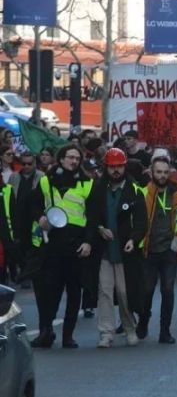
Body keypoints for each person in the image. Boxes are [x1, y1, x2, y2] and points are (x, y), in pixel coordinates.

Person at [31, 144, 102, 349]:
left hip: (76, 243)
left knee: (74, 291)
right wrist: (41, 217)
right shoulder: (46, 181)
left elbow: (93, 217)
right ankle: (46, 330)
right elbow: (33, 204)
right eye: (70, 157)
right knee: (49, 290)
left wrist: (88, 242)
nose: (74, 161)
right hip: (52, 243)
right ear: (61, 159)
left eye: (77, 158)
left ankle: (68, 336)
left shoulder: (87, 184)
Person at [138, 157, 177, 344]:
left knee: (168, 290)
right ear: (151, 172)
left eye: (165, 172)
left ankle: (165, 331)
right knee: (146, 290)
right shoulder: (144, 193)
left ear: (169, 172)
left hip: (170, 250)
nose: (162, 176)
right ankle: (143, 320)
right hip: (148, 251)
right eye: (158, 172)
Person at [94, 148, 147, 348]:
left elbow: (141, 222)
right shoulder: (98, 189)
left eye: (119, 166)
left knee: (125, 293)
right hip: (105, 251)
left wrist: (134, 239)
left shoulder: (134, 190)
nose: (116, 170)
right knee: (105, 291)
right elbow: (91, 216)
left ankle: (129, 328)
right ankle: (106, 333)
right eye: (112, 167)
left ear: (125, 167)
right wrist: (99, 229)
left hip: (125, 251)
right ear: (106, 167)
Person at [8, 151, 43, 289]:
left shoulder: (41, 176)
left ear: (34, 163)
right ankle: (23, 272)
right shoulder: (14, 177)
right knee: (19, 246)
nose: (27, 166)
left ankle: (29, 274)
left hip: (34, 217)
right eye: (24, 164)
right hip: (18, 217)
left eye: (30, 163)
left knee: (33, 246)